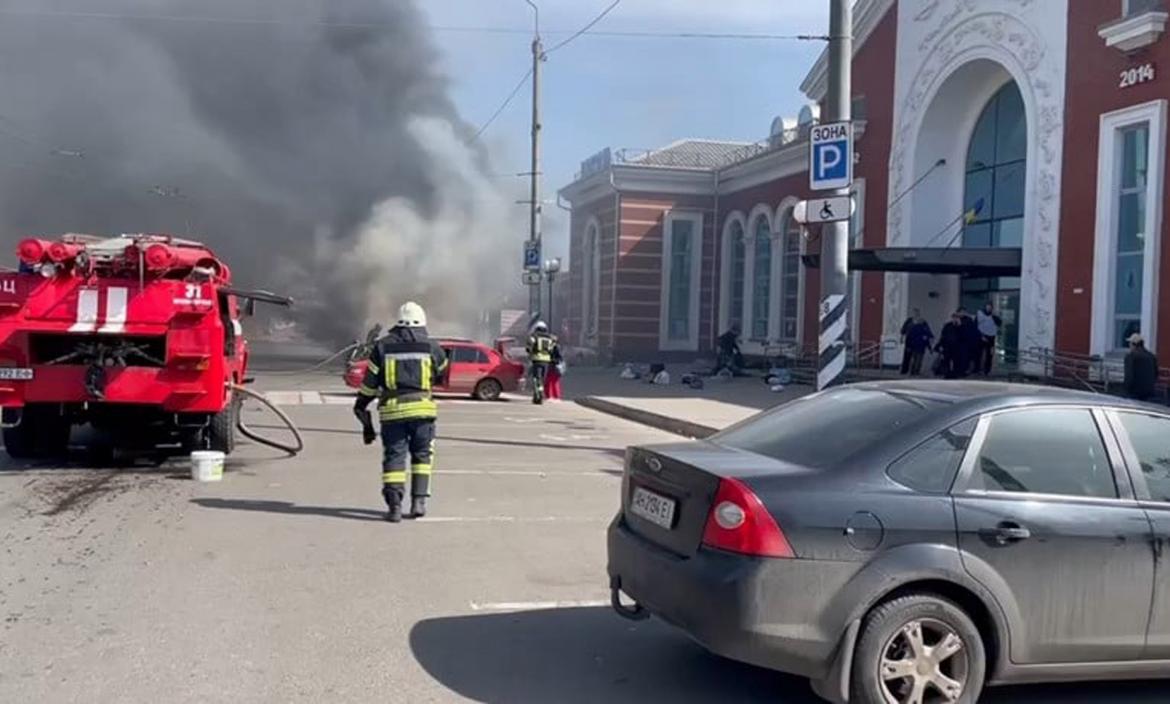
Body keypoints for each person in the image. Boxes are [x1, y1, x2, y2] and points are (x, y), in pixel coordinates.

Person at [353, 301, 448, 523]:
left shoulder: (382, 347)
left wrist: (361, 404)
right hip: (423, 410)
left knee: (394, 457)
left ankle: (394, 506)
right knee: (422, 456)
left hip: (393, 413)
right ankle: (418, 502)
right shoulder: (431, 346)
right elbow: (442, 373)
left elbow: (370, 384)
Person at [527, 320, 559, 404]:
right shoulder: (550, 338)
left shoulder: (534, 336)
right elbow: (552, 349)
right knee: (542, 378)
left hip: (536, 360)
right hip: (546, 361)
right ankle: (540, 393)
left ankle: (537, 395)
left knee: (536, 378)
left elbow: (529, 347)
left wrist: (530, 353)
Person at [1124, 333, 1158, 402]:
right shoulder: (1151, 356)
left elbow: (1129, 376)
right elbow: (1156, 373)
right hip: (1149, 392)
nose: (1129, 346)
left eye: (1130, 344)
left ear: (1134, 344)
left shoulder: (1131, 356)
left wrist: (1126, 390)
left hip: (1134, 393)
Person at [936, 312, 966, 379]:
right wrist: (941, 345)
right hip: (947, 346)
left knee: (956, 361)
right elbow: (943, 336)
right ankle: (947, 373)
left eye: (957, 318)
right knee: (946, 360)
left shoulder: (961, 326)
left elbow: (964, 336)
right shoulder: (947, 326)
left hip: (957, 347)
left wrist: (960, 326)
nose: (955, 319)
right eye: (954, 317)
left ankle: (955, 373)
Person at [975, 303, 1002, 375]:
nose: (989, 308)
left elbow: (999, 323)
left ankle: (987, 370)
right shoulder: (980, 315)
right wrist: (980, 336)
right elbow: (976, 326)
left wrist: (993, 316)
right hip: (981, 337)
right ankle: (978, 369)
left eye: (990, 307)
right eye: (987, 307)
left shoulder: (994, 316)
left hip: (991, 338)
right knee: (979, 354)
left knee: (989, 354)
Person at [904, 312, 934, 376]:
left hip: (913, 346)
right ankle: (916, 371)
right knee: (918, 360)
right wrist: (930, 348)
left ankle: (912, 371)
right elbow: (927, 339)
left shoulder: (913, 329)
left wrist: (908, 346)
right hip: (921, 347)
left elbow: (909, 338)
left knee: (914, 359)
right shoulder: (924, 329)